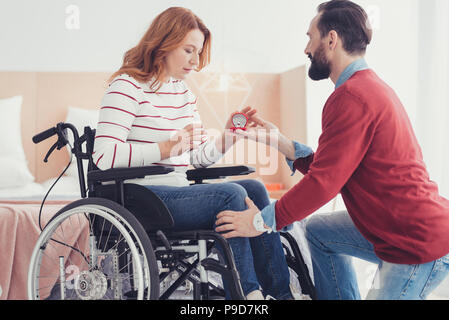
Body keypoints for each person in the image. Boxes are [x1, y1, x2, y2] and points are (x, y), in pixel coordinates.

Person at [215, 0, 449, 300]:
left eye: (309, 37)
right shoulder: (366, 88)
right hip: (399, 227)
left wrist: (260, 222)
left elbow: (323, 184)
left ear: (331, 39)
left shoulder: (352, 96)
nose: (306, 48)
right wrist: (280, 142)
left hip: (414, 244)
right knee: (319, 231)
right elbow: (334, 168)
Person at [92, 7, 294, 300]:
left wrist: (227, 139)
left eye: (198, 52)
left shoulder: (183, 93)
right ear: (164, 42)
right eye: (188, 50)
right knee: (232, 196)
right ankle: (248, 297)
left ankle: (281, 294)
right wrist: (167, 147)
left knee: (255, 190)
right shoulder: (126, 86)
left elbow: (195, 159)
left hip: (177, 192)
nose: (195, 61)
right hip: (139, 198)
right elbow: (105, 156)